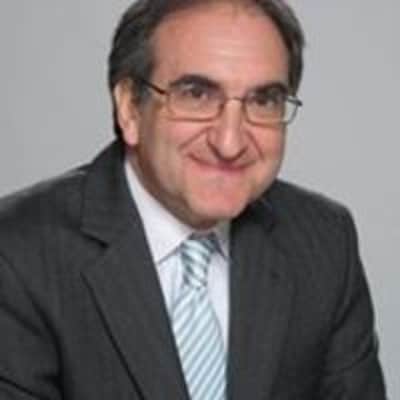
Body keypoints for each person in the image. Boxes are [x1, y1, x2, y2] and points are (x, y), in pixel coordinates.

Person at [0, 0, 387, 398]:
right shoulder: (16, 255)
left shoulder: (324, 242)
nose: (230, 142)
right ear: (130, 108)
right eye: (197, 94)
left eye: (262, 101)